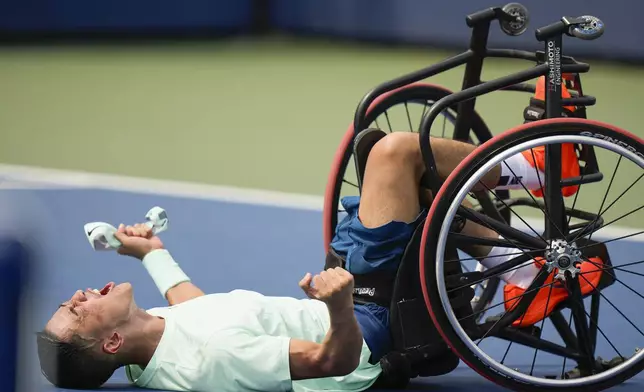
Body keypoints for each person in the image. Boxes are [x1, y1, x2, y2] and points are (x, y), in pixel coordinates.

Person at [37, 129, 603, 392]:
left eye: (69, 301)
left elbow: (196, 310)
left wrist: (153, 253)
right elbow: (331, 362)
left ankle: (515, 267)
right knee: (394, 153)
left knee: (380, 158)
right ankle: (540, 169)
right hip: (366, 324)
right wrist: (337, 306)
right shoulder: (211, 360)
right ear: (109, 342)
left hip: (348, 302)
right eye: (76, 311)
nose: (78, 296)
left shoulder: (151, 353)